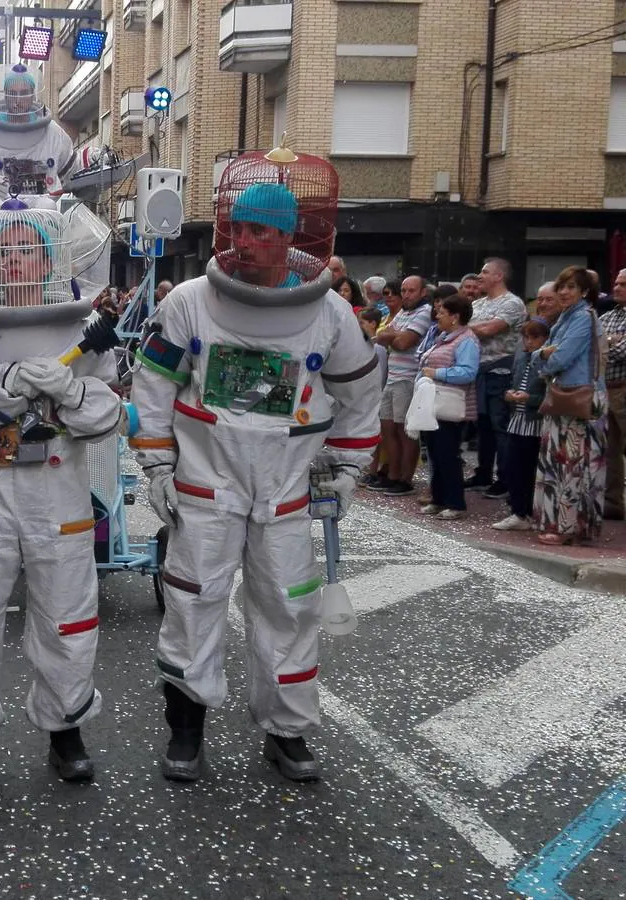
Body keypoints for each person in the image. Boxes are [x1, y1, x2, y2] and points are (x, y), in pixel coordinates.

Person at [131, 150, 381, 783]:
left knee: (291, 612)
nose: (244, 241)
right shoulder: (190, 302)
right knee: (191, 607)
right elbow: (153, 389)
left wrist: (348, 469)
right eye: (236, 228)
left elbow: (359, 396)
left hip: (288, 494)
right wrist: (157, 468)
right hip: (203, 489)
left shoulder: (329, 314)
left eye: (260, 231)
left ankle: (287, 732)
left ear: (292, 236)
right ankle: (186, 733)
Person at [0, 201, 125, 783]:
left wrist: (71, 392)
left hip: (57, 498)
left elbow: (110, 413)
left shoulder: (81, 331)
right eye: (4, 250)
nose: (15, 260)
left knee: (67, 618)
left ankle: (66, 728)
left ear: (49, 255)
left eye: (27, 248)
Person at [533, 266, 608, 546]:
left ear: (584, 292)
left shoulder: (583, 318)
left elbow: (559, 358)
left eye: (571, 288)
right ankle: (559, 523)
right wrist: (543, 354)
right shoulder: (565, 317)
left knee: (573, 463)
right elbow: (542, 355)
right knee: (558, 461)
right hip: (563, 395)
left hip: (582, 398)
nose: (563, 292)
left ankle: (567, 527)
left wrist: (542, 355)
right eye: (561, 286)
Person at [0, 63, 75, 209]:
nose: (18, 101)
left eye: (24, 93)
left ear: (33, 95)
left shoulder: (52, 134)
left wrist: (93, 160)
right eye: (13, 94)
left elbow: (72, 170)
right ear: (5, 95)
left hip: (38, 207)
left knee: (48, 206)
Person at [467, 258, 527, 499]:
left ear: (499, 276)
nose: (480, 276)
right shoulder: (479, 303)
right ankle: (483, 473)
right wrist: (474, 327)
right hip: (478, 371)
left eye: (485, 271)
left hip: (501, 372)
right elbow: (469, 326)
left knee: (500, 425)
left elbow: (491, 329)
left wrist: (469, 327)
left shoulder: (512, 303)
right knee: (482, 425)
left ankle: (504, 478)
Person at [418, 295, 479, 520]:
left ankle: (456, 502)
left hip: (450, 405)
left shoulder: (467, 340)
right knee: (434, 452)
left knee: (448, 453)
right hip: (433, 402)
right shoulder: (443, 337)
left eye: (442, 312)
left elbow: (468, 371)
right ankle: (438, 498)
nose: (438, 316)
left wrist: (438, 374)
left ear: (455, 317)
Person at [372, 275, 431, 495]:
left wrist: (392, 337)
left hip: (407, 377)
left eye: (411, 291)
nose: (406, 295)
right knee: (387, 427)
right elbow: (382, 335)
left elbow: (404, 342)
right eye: (404, 290)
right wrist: (394, 337)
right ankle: (392, 474)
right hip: (393, 375)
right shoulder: (403, 313)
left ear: (423, 292)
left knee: (404, 430)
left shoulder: (424, 312)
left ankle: (405, 478)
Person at [493, 319, 550, 531]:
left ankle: (527, 511)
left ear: (545, 339)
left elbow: (548, 393)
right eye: (526, 337)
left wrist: (530, 399)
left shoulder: (546, 360)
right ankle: (519, 511)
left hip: (534, 422)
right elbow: (512, 383)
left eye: (535, 337)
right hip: (516, 420)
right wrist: (508, 394)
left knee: (529, 469)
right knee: (511, 466)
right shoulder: (521, 358)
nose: (529, 341)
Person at [602, 269, 626, 521]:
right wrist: (612, 340)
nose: (617, 287)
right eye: (616, 283)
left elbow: (621, 353)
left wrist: (608, 343)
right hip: (606, 388)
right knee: (610, 450)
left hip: (624, 386)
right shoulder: (607, 315)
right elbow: (598, 349)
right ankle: (612, 503)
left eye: (623, 284)